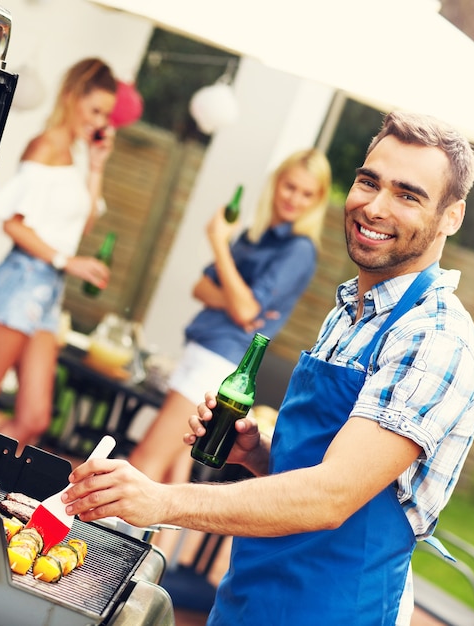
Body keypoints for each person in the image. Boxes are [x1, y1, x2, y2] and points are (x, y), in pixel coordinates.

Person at [60, 111, 474, 625]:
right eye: (368, 182)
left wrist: (162, 501)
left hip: (329, 610)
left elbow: (332, 496)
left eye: (407, 194)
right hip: (250, 595)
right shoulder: (349, 311)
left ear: (451, 217)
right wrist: (258, 453)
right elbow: (318, 468)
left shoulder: (434, 339)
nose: (374, 207)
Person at [128, 148, 332, 484]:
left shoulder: (299, 250)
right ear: (275, 184)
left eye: (307, 193)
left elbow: (246, 309)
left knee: (143, 461)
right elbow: (202, 288)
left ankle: (106, 536)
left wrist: (219, 243)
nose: (295, 199)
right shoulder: (256, 235)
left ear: (319, 200)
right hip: (204, 348)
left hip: (219, 362)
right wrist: (237, 301)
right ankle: (152, 538)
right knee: (172, 471)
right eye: (289, 186)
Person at [0, 58, 117, 451]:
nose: (101, 122)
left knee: (34, 417)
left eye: (107, 114)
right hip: (23, 281)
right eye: (95, 109)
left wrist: (97, 167)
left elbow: (79, 228)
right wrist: (67, 261)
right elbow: (12, 224)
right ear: (71, 96)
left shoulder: (79, 155)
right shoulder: (45, 145)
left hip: (48, 292)